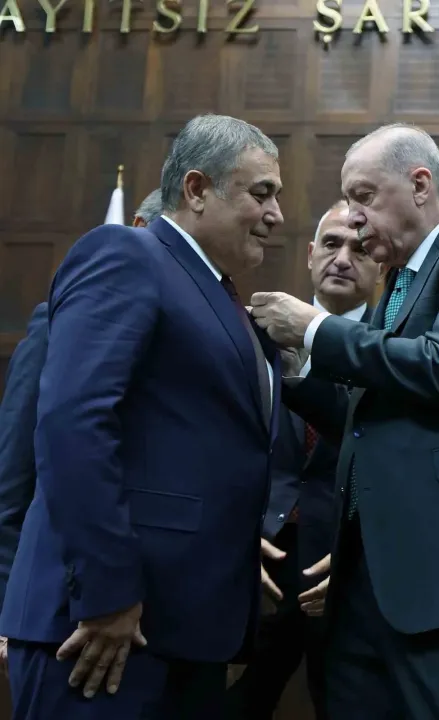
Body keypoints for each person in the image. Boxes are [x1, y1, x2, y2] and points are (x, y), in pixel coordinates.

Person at [251, 123, 439, 720]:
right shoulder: (396, 287)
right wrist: (298, 371)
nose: (354, 218)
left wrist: (315, 329)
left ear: (419, 185)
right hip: (369, 594)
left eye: (364, 197)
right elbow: (368, 419)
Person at [0, 114, 284, 719]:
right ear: (197, 189)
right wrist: (106, 592)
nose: (276, 214)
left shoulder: (218, 295)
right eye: (261, 193)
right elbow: (74, 423)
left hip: (182, 632)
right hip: (103, 628)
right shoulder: (127, 254)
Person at [227, 200, 380, 719]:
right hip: (260, 560)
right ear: (311, 253)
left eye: (360, 249)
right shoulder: (252, 333)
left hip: (347, 566)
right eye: (332, 244)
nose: (343, 258)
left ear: (381, 265)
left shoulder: (393, 345)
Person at [0, 189, 164, 670]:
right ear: (138, 229)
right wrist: (6, 607)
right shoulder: (62, 321)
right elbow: (13, 481)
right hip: (58, 612)